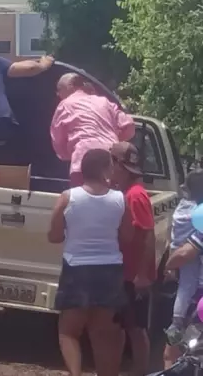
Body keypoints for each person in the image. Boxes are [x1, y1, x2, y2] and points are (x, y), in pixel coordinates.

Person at [47, 149, 132, 376]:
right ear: (105, 169)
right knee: (104, 334)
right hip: (110, 270)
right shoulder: (120, 199)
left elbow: (54, 236)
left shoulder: (68, 197)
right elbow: (127, 237)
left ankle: (75, 373)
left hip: (77, 269)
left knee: (69, 332)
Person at [110, 141, 155, 376]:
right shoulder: (127, 194)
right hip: (125, 273)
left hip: (133, 276)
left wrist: (143, 274)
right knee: (120, 326)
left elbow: (148, 235)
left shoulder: (136, 196)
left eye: (112, 162)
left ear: (120, 165)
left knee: (136, 329)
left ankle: (140, 371)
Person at [51, 73, 135, 186]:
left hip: (83, 163)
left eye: (59, 90)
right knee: (112, 201)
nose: (58, 94)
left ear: (70, 86)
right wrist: (113, 140)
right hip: (111, 161)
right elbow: (129, 125)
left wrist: (70, 153)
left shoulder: (65, 105)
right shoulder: (104, 102)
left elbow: (58, 144)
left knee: (82, 201)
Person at [162, 171, 203, 361]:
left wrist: (169, 265)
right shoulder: (195, 217)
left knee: (173, 351)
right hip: (195, 291)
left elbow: (183, 253)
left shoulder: (185, 212)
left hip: (195, 293)